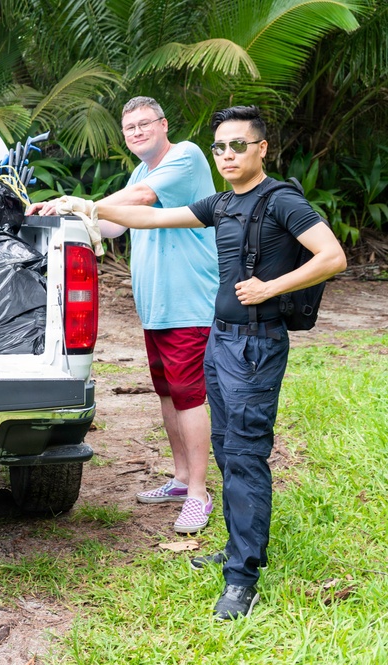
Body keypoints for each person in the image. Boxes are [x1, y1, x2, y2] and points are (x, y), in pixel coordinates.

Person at [89, 105, 346, 620]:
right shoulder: (223, 203)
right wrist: (83, 206)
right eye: (220, 147)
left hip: (256, 345)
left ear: (261, 149)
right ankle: (236, 550)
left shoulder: (281, 200)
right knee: (228, 452)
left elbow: (332, 256)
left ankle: (241, 580)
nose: (228, 155)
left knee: (246, 458)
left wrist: (271, 287)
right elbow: (151, 217)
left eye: (238, 145)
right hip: (220, 341)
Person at [29, 96, 218, 535]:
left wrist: (80, 202)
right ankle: (181, 479)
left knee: (189, 397)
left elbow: (142, 199)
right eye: (129, 127)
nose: (137, 132)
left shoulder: (185, 156)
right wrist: (65, 213)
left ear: (164, 124)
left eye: (144, 123)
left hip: (190, 303)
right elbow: (113, 224)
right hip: (157, 307)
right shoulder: (139, 172)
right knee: (168, 395)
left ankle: (199, 494)